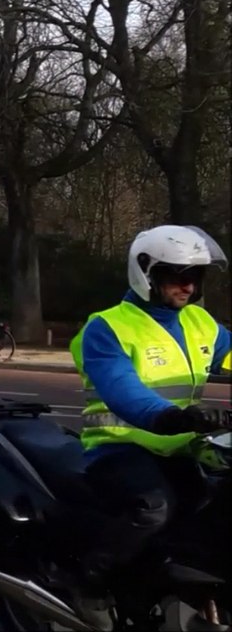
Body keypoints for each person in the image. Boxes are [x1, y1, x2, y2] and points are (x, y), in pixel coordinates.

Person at [66, 225, 232, 628]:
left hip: (182, 446)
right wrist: (171, 416)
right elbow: (122, 389)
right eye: (177, 275)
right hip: (120, 446)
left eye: (195, 276)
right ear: (147, 273)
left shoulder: (200, 323)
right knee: (152, 510)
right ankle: (89, 583)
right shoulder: (107, 328)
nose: (188, 286)